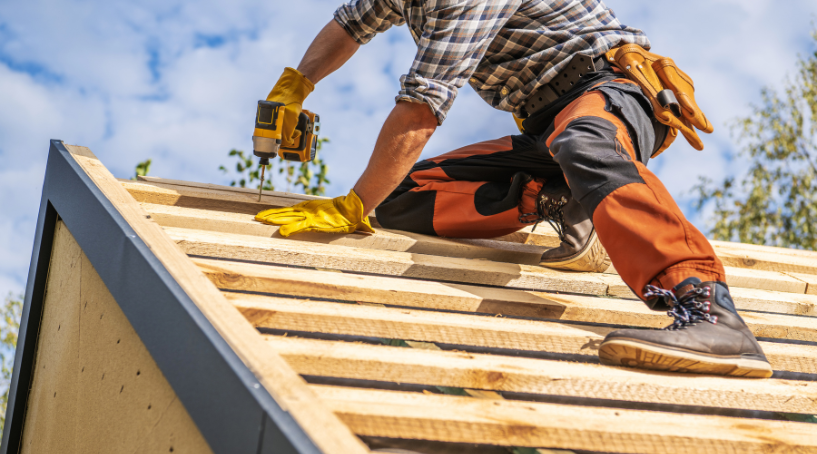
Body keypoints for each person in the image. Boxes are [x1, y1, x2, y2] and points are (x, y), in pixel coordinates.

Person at [255, 0, 772, 379]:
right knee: (400, 196)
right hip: (546, 127)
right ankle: (562, 199)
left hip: (608, 91)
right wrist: (297, 83)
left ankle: (708, 310)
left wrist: (352, 205)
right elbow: (350, 24)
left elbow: (423, 106)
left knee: (586, 143)